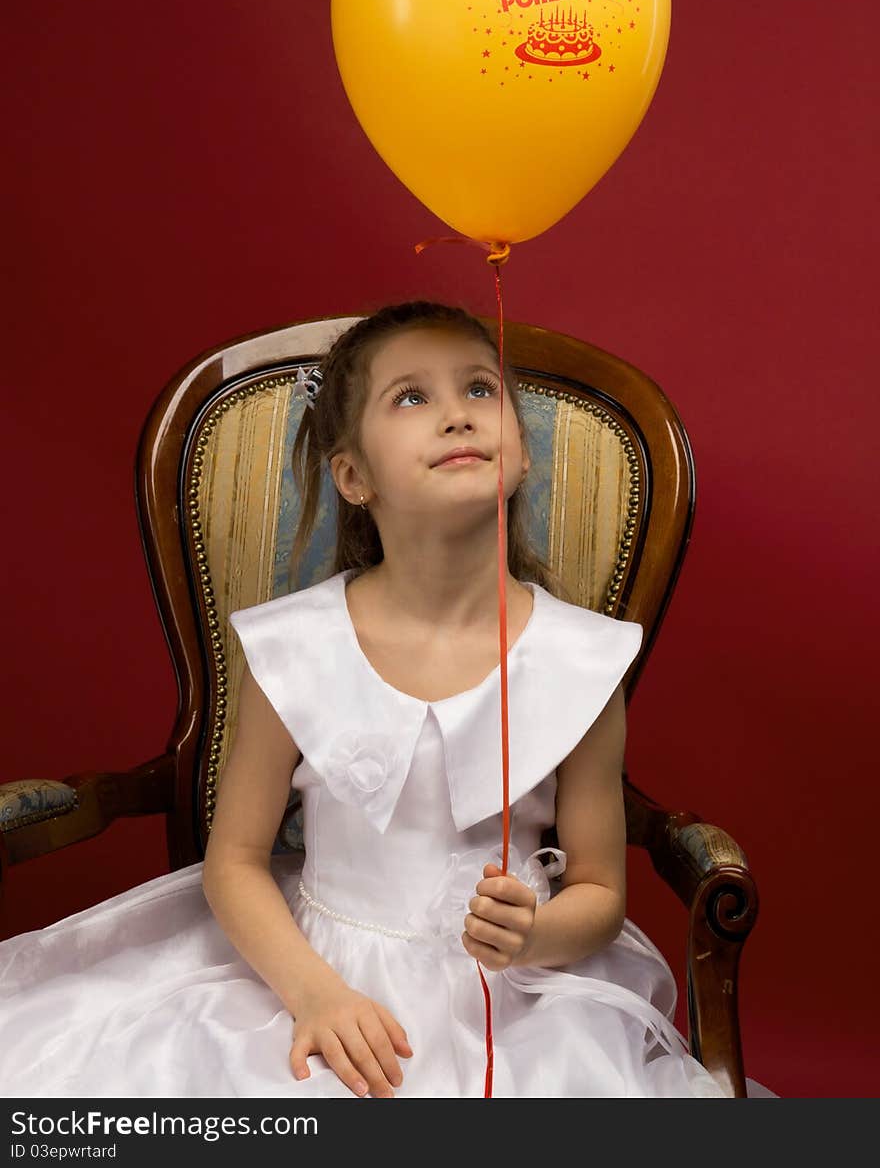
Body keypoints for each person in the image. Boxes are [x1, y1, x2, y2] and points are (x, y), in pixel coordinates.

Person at [0, 300, 771, 1098]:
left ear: (522, 453)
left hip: (519, 1009)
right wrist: (316, 995)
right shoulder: (297, 648)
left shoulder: (580, 661)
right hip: (316, 976)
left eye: (480, 389)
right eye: (411, 397)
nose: (456, 417)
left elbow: (602, 895)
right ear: (353, 476)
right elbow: (233, 862)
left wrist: (536, 933)